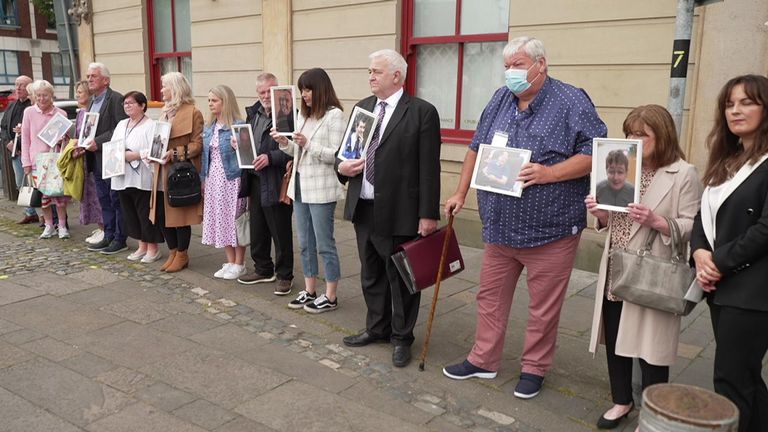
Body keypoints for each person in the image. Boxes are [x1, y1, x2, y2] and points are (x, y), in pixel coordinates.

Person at [441, 37, 607, 398]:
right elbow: (475, 149)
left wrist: (550, 174)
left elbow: (596, 152)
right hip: (500, 226)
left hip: (551, 228)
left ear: (541, 64)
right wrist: (459, 191)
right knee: (490, 298)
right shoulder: (501, 99)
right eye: (507, 66)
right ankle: (483, 359)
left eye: (518, 65)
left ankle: (534, 368)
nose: (510, 73)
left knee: (543, 307)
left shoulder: (570, 100)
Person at [585, 105, 701, 430]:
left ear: (661, 136)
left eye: (641, 134)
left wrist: (658, 221)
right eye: (630, 133)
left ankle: (654, 413)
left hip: (653, 270)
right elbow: (613, 219)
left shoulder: (684, 172)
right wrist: (601, 212)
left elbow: (693, 225)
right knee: (616, 338)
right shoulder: (624, 166)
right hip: (617, 266)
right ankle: (621, 400)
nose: (633, 139)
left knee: (651, 350)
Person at [336, 49, 441, 368]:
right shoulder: (362, 109)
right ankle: (377, 328)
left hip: (400, 209)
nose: (370, 76)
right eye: (369, 71)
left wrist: (428, 214)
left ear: (397, 76)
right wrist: (342, 168)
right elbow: (345, 154)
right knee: (371, 274)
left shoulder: (422, 112)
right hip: (364, 206)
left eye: (376, 71)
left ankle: (401, 337)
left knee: (402, 278)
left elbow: (429, 168)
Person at [690, 74, 768, 432]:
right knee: (744, 377)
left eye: (747, 102)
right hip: (721, 286)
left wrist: (717, 261)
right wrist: (699, 253)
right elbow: (701, 216)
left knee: (731, 380)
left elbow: (765, 230)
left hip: (752, 290)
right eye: (729, 103)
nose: (735, 110)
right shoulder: (729, 159)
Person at [272, 68, 345, 313]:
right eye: (302, 89)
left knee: (325, 243)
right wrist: (286, 144)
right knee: (304, 242)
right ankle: (310, 289)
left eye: (308, 89)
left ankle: (331, 295)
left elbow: (336, 156)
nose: (304, 94)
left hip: (322, 188)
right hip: (300, 185)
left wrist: (308, 144)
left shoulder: (334, 116)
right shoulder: (305, 116)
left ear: (320, 89)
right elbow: (298, 151)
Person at [236, 73, 294, 293]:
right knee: (257, 228)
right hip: (255, 179)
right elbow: (250, 142)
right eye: (261, 92)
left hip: (277, 180)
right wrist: (239, 143)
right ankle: (263, 268)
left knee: (280, 231)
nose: (266, 96)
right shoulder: (254, 113)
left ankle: (284, 275)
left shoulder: (289, 114)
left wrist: (271, 158)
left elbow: (293, 152)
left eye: (269, 91)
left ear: (277, 89)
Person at [149, 72, 204, 273]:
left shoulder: (193, 112)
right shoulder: (164, 112)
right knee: (162, 214)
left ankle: (182, 254)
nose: (162, 90)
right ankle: (172, 251)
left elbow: (197, 145)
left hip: (179, 172)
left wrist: (173, 154)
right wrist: (152, 153)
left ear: (176, 88)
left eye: (165, 86)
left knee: (180, 215)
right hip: (160, 171)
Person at [109, 91, 163, 264]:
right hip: (122, 175)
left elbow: (154, 151)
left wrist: (133, 155)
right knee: (130, 212)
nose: (127, 106)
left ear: (142, 105)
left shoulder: (150, 125)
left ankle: (153, 248)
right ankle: (141, 245)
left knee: (144, 213)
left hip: (142, 177)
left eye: (131, 103)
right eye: (125, 103)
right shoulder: (121, 124)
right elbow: (113, 146)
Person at [201, 85, 247, 280]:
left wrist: (239, 146)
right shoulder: (209, 127)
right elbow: (206, 156)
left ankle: (240, 263)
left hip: (231, 179)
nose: (210, 104)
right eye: (209, 100)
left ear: (225, 101)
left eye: (215, 100)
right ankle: (230, 260)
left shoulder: (237, 125)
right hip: (213, 178)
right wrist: (204, 179)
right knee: (220, 218)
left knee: (234, 220)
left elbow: (247, 155)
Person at [82, 62, 129, 254]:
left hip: (111, 160)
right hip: (96, 160)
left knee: (115, 199)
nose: (89, 80)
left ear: (106, 80)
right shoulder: (92, 101)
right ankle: (108, 234)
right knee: (104, 200)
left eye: (93, 76)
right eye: (88, 76)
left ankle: (120, 238)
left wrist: (98, 142)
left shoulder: (116, 99)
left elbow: (120, 128)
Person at [20, 80, 71, 239]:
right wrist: (26, 162)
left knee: (59, 196)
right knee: (43, 197)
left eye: (45, 95)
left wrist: (64, 138)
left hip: (56, 160)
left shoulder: (61, 114)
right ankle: (49, 225)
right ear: (34, 96)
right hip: (37, 161)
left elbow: (67, 141)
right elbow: (25, 139)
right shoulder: (29, 112)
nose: (42, 99)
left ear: (51, 95)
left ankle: (62, 225)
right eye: (39, 95)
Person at [71, 80, 104, 245]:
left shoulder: (89, 113)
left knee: (96, 196)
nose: (77, 95)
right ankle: (100, 226)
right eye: (76, 92)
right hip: (82, 159)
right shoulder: (80, 113)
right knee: (90, 195)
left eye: (80, 92)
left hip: (90, 159)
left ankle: (104, 228)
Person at [0, 75, 36, 224]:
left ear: (29, 88)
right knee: (20, 182)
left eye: (22, 85)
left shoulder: (33, 106)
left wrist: (21, 142)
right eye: (17, 85)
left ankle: (43, 212)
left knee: (35, 184)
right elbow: (3, 127)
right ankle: (30, 212)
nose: (18, 88)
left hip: (30, 151)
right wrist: (7, 142)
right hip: (15, 151)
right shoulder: (11, 106)